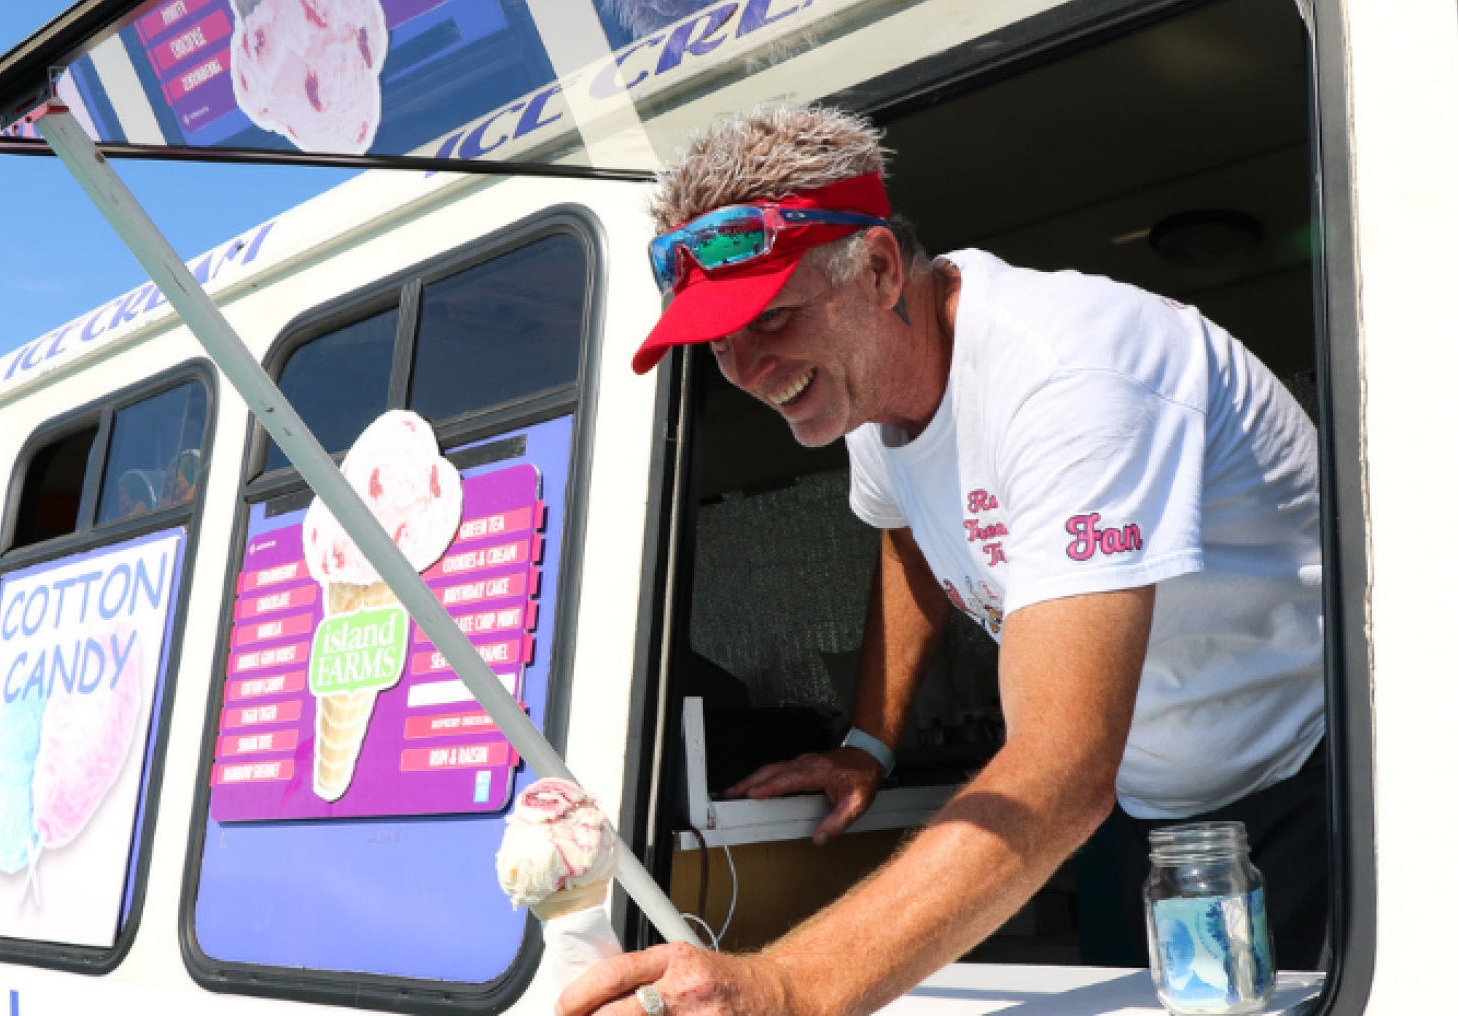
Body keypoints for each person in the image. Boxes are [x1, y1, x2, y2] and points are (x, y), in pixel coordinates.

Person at [558, 105, 1325, 1016]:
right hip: (1151, 803)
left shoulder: (1070, 374)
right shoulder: (870, 399)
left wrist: (787, 988)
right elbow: (906, 534)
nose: (748, 369)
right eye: (719, 343)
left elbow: (1061, 767)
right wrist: (866, 744)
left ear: (879, 269)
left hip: (1310, 776)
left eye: (771, 319)